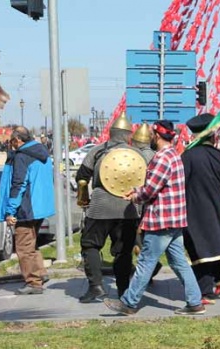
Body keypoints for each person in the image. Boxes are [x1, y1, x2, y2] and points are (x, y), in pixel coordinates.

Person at [104, 120, 205, 316]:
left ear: (157, 136)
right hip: (174, 219)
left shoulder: (162, 158)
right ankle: (195, 302)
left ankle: (129, 303)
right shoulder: (174, 155)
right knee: (179, 263)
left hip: (161, 219)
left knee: (146, 261)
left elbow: (150, 189)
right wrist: (136, 191)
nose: (150, 137)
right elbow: (157, 186)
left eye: (151, 134)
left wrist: (135, 195)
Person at [75, 114, 148, 302]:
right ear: (128, 135)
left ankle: (96, 286)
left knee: (90, 245)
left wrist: (83, 199)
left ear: (111, 132)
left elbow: (82, 177)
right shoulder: (137, 154)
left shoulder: (98, 151)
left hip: (100, 206)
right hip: (128, 208)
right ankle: (123, 290)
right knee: (123, 251)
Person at [181, 113, 220, 304]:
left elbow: (180, 182)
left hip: (193, 210)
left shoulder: (187, 156)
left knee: (199, 250)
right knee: (210, 247)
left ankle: (206, 291)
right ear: (212, 135)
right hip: (216, 209)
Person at [0, 126, 55, 295]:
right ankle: (41, 273)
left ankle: (33, 282)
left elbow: (18, 184)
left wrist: (10, 211)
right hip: (40, 206)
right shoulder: (42, 152)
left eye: (12, 141)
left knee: (23, 246)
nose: (11, 145)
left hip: (27, 208)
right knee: (31, 242)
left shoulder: (22, 156)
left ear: (18, 140)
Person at [131, 122, 162, 283]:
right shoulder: (156, 155)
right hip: (151, 204)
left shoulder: (133, 155)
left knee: (139, 242)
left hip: (139, 202)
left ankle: (148, 271)